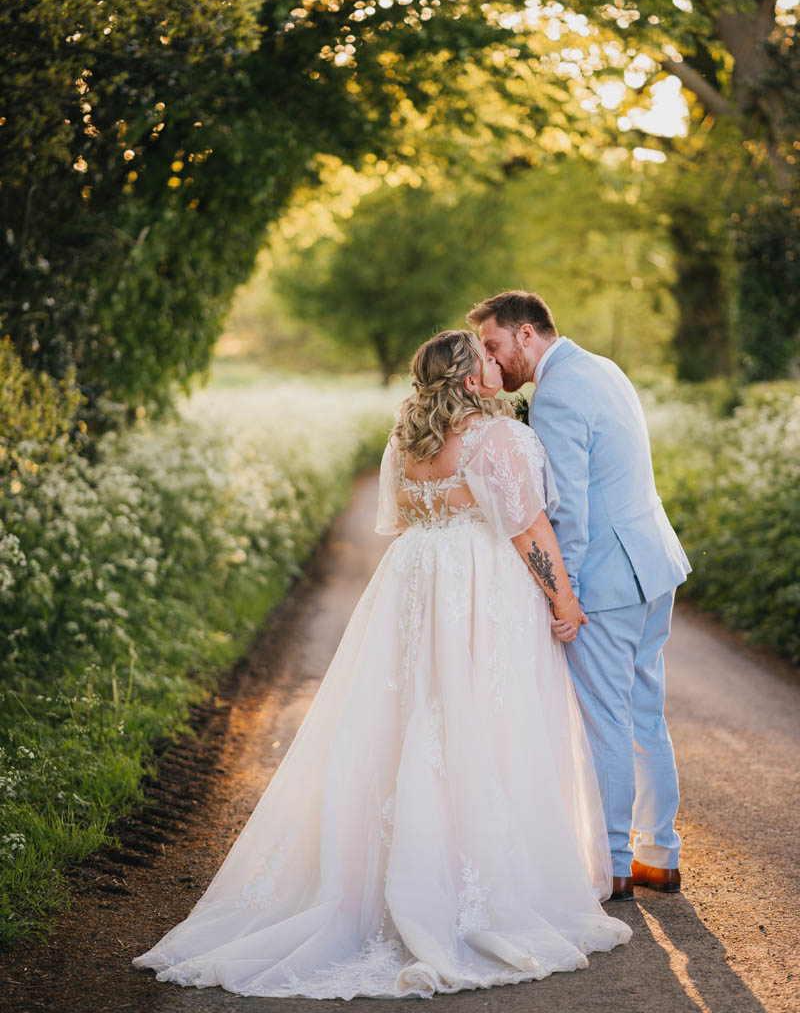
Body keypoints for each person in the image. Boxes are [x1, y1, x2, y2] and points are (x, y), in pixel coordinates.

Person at [132, 329, 631, 999]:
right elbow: (528, 529)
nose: (496, 363)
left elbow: (399, 522)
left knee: (409, 722)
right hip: (480, 590)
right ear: (468, 377)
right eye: (485, 359)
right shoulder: (498, 438)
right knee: (483, 721)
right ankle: (472, 886)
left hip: (415, 583)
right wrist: (562, 598)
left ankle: (398, 875)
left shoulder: (405, 439)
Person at [469, 291, 690, 902]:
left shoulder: (557, 393)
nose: (492, 360)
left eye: (493, 346)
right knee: (645, 712)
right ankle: (658, 855)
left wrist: (559, 594)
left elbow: (569, 511)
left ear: (525, 335)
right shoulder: (601, 367)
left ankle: (615, 863)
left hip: (608, 579)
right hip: (652, 564)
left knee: (605, 720)